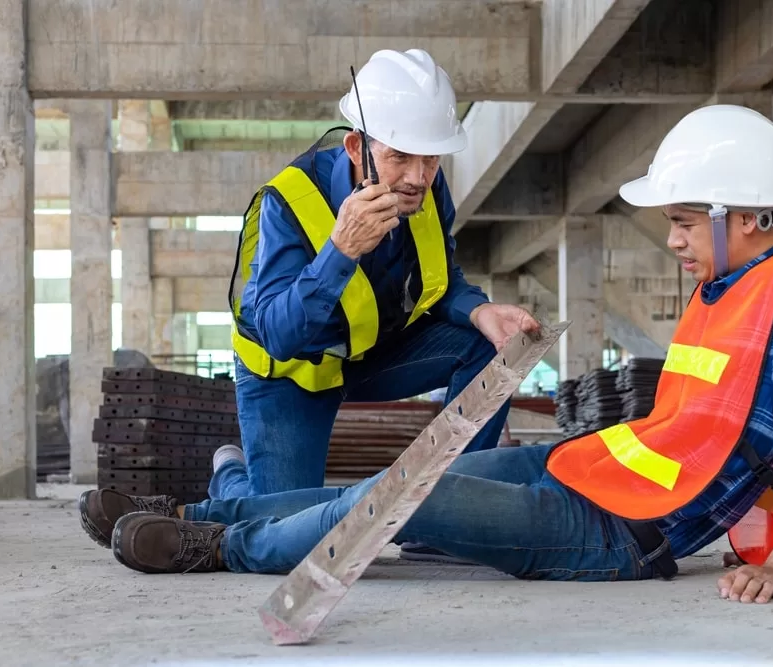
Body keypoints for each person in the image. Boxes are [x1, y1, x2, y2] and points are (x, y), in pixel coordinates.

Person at [80, 104, 773, 604]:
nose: (675, 239)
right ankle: (197, 514)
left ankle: (218, 547)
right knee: (392, 480)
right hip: (589, 469)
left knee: (409, 500)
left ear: (742, 216)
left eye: (684, 221)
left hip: (620, 535)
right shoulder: (728, 283)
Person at [214, 46, 539, 562]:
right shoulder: (286, 202)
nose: (417, 176)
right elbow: (278, 333)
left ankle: (444, 518)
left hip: (369, 353)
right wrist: (339, 251)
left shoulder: (428, 191)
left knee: (488, 344)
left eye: (431, 157)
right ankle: (231, 477)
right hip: (291, 372)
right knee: (285, 537)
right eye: (399, 156)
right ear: (354, 147)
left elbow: (442, 279)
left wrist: (479, 310)